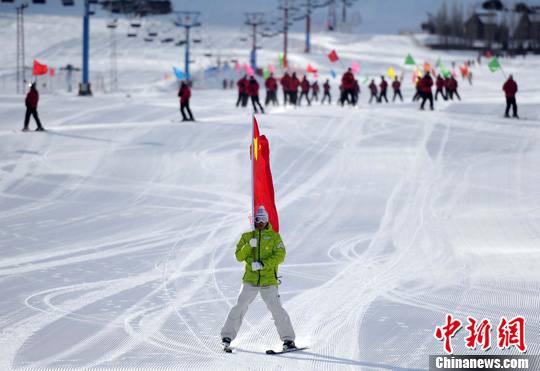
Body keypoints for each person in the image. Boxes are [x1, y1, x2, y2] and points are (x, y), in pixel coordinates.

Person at [221, 206, 296, 352]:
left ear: (267, 220)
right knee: (240, 306)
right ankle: (227, 337)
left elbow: (280, 256)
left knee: (276, 308)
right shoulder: (247, 237)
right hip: (250, 280)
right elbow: (238, 256)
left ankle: (288, 340)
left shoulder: (274, 237)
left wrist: (262, 264)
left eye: (263, 219)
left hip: (269, 281)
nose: (260, 222)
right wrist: (249, 246)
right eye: (257, 219)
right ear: (253, 220)